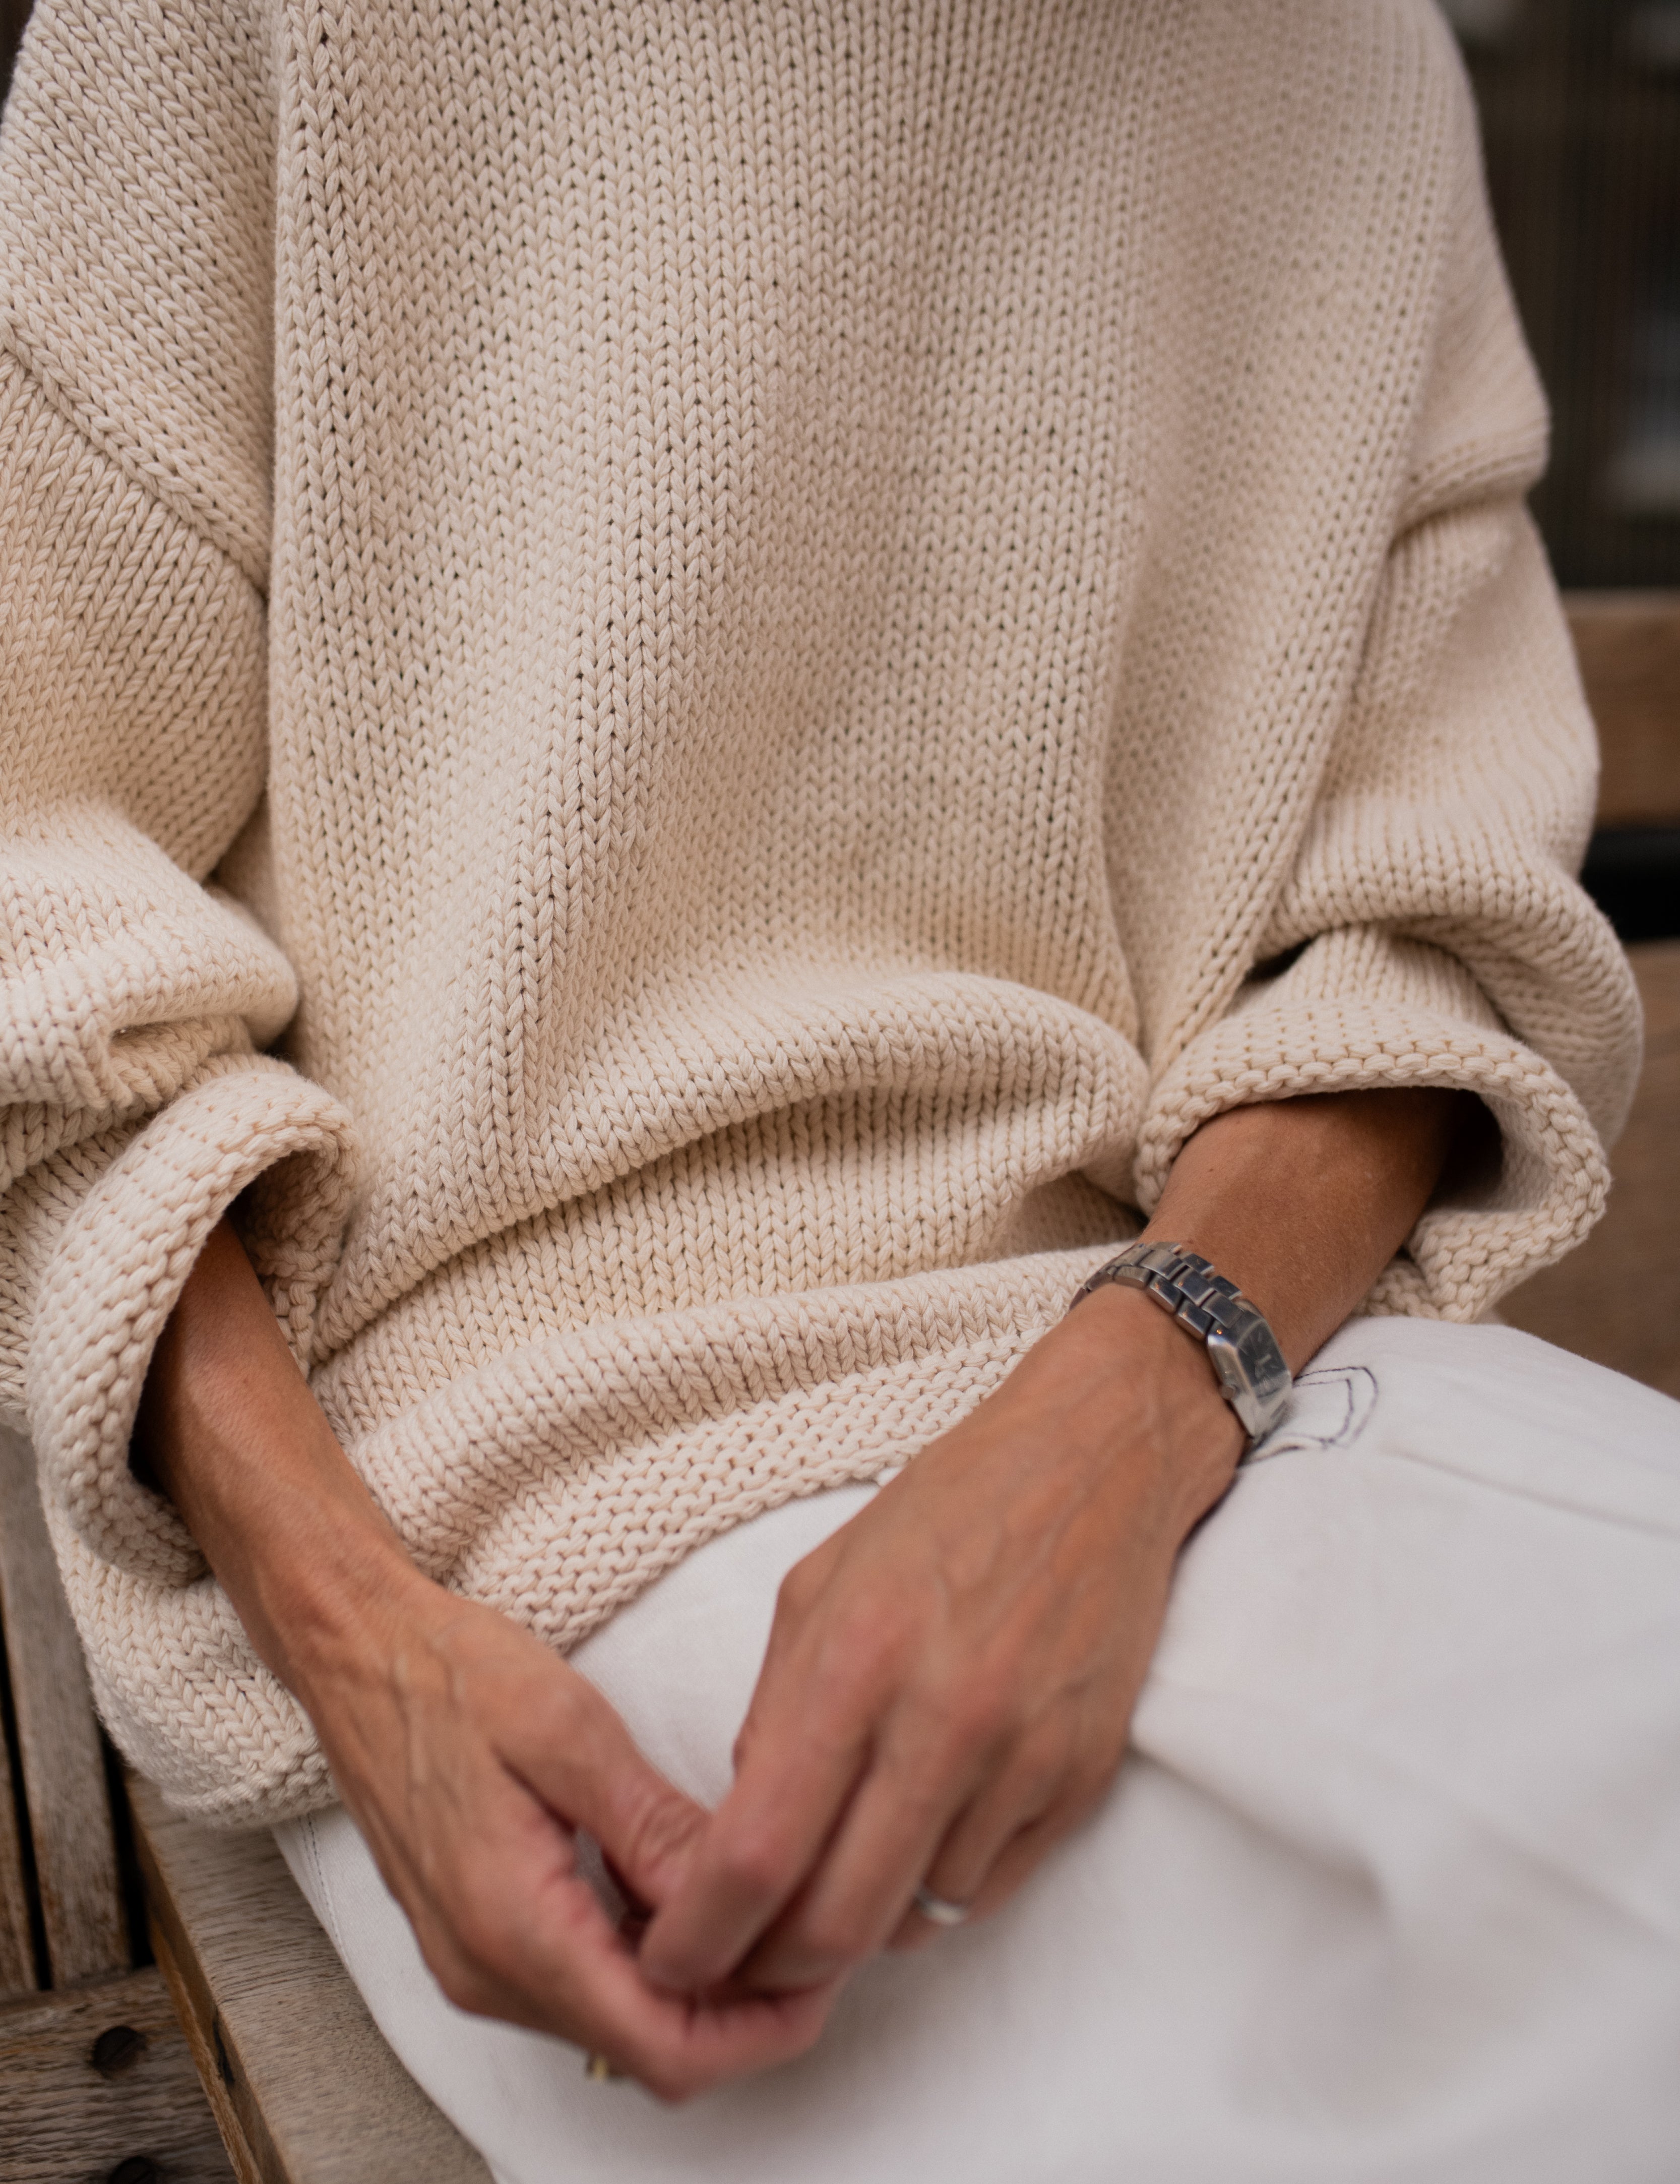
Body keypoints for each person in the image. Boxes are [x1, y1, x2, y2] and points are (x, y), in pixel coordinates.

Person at [3, 0, 1677, 2175]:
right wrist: (365, 1656)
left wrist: (1117, 1419)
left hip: (1249, 1389)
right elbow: (37, 916)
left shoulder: (1338, 55)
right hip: (547, 1549)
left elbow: (1424, 912)